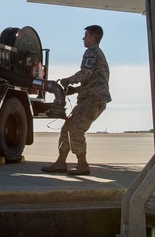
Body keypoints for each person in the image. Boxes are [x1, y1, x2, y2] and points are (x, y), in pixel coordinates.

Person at [42, 25, 111, 175]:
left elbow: (86, 73)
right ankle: (60, 162)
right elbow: (95, 80)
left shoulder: (91, 52)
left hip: (93, 100)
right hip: (91, 98)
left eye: (86, 35)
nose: (83, 38)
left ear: (92, 38)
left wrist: (69, 80)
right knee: (67, 128)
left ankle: (82, 165)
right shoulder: (98, 54)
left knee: (75, 129)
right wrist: (75, 90)